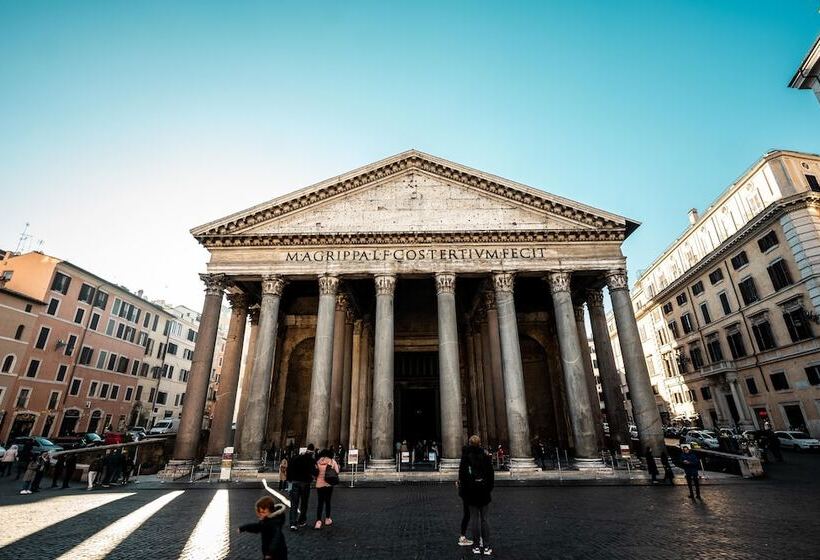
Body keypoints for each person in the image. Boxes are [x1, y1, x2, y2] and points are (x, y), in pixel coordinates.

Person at [459, 435, 494, 556]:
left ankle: (476, 546)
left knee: (474, 519)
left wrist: (464, 493)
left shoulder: (465, 457)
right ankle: (487, 546)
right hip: (484, 492)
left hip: (471, 493)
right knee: (485, 519)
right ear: (480, 444)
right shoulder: (485, 456)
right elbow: (491, 476)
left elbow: (462, 477)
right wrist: (488, 489)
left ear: (469, 443)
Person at [238, 495, 288, 560]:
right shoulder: (266, 520)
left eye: (263, 512)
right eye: (260, 512)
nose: (261, 514)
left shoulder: (274, 523)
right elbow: (257, 527)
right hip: (269, 552)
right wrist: (243, 528)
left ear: (270, 511)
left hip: (277, 553)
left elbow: (276, 538)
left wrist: (270, 553)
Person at [287, 444, 317, 531]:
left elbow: (289, 469)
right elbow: (315, 472)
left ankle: (293, 523)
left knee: (294, 504)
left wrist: (289, 480)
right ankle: (301, 521)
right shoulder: (311, 460)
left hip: (295, 482)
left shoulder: (296, 458)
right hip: (305, 483)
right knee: (304, 503)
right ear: (313, 451)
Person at [313, 448, 340, 529]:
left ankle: (318, 521)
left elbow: (315, 473)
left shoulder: (318, 461)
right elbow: (337, 472)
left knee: (320, 503)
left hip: (319, 484)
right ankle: (327, 519)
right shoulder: (332, 461)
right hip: (328, 484)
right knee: (327, 502)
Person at [455, 445, 473, 548]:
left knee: (467, 514)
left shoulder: (463, 462)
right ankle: (479, 539)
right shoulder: (469, 463)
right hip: (470, 491)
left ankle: (463, 536)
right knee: (475, 515)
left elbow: (461, 478)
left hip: (465, 492)